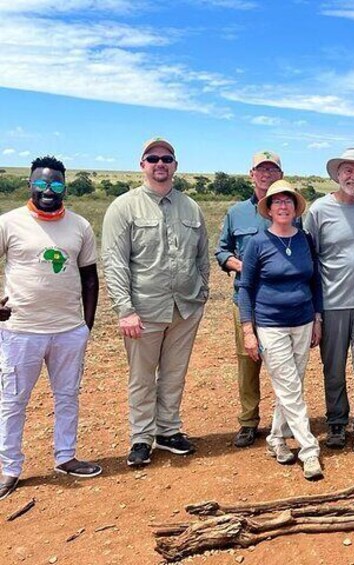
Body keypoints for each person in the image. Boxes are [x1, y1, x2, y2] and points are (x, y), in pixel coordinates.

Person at [102, 137, 210, 467]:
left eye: (166, 158)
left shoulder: (190, 207)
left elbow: (202, 256)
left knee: (175, 373)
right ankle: (141, 436)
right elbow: (115, 260)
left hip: (185, 307)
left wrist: (202, 292)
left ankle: (168, 431)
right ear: (142, 165)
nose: (160, 163)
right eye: (153, 158)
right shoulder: (124, 207)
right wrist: (125, 309)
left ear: (175, 166)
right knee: (142, 376)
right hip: (143, 309)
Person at [0, 156, 101, 501]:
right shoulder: (9, 223)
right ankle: (10, 467)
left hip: (68, 330)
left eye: (56, 184)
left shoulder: (80, 226)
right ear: (29, 184)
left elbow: (90, 278)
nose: (48, 190)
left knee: (67, 396)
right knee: (13, 401)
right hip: (20, 330)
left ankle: (66, 457)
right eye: (41, 184)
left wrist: (86, 325)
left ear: (64, 187)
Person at [303, 148, 354, 453]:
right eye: (348, 171)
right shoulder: (318, 210)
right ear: (338, 175)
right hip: (332, 303)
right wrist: (315, 311)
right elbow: (309, 259)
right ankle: (337, 422)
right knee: (334, 368)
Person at [238, 180, 324, 479]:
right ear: (269, 209)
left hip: (302, 321)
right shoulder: (257, 243)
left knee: (291, 387)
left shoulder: (304, 239)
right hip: (270, 325)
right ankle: (309, 449)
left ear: (295, 207)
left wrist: (317, 317)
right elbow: (245, 288)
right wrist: (248, 330)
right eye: (277, 202)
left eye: (288, 201)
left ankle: (276, 438)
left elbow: (315, 282)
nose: (283, 206)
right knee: (289, 386)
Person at [215, 151, 282, 448]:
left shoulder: (288, 208)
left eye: (272, 169)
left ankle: (286, 419)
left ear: (280, 174)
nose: (266, 174)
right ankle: (248, 421)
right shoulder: (236, 212)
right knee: (248, 360)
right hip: (245, 297)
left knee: (283, 361)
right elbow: (222, 250)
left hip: (280, 299)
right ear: (251, 174)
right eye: (261, 169)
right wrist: (239, 264)